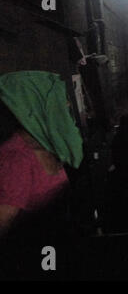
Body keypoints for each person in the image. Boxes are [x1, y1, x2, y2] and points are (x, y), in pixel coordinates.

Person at [0, 71, 84, 238]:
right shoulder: (16, 161)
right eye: (57, 102)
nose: (66, 105)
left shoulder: (51, 143)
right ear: (33, 108)